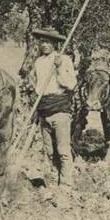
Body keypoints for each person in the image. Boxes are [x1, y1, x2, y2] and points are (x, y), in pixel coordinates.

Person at [29, 27, 78, 185]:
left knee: (63, 151)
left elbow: (71, 84)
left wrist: (58, 69)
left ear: (55, 44)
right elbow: (37, 87)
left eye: (48, 42)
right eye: (42, 41)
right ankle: (51, 182)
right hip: (44, 109)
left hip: (60, 110)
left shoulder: (63, 59)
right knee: (48, 151)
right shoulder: (38, 62)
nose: (44, 45)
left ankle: (66, 184)